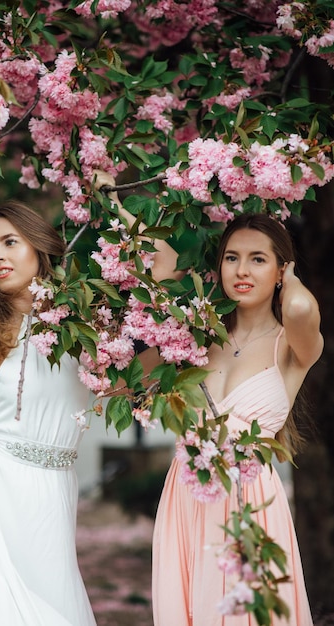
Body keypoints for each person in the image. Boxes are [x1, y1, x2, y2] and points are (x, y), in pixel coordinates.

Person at [0, 185, 178, 625]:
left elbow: (166, 265)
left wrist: (108, 197)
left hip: (54, 496)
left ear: (39, 249)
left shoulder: (92, 327)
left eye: (10, 242)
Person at [152, 213, 323, 626]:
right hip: (186, 496)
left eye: (258, 259)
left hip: (250, 500)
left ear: (281, 270)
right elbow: (157, 272)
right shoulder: (196, 337)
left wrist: (292, 278)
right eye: (231, 258)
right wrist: (112, 199)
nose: (242, 270)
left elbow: (300, 306)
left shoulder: (291, 346)